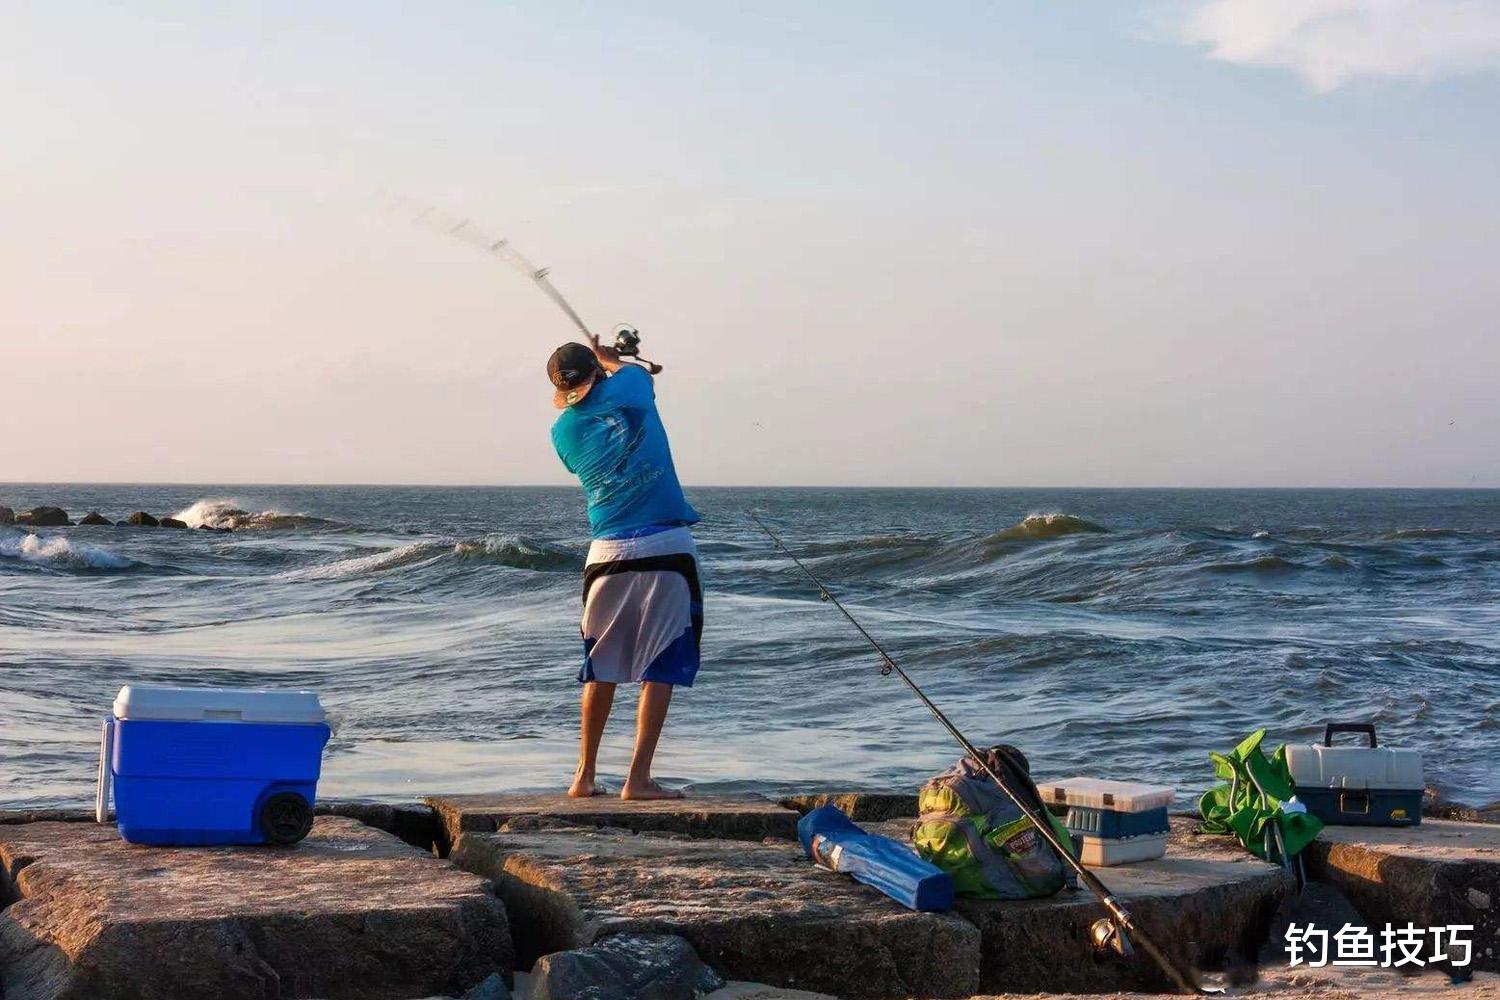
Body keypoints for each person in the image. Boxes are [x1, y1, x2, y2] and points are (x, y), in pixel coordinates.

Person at [547, 334, 702, 800]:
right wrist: (609, 358)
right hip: (666, 545)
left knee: (602, 666)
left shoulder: (562, 433)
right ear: (595, 373)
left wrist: (598, 366)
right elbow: (629, 374)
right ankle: (638, 779)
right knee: (662, 661)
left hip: (606, 553)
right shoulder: (631, 384)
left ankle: (584, 775)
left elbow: (599, 397)